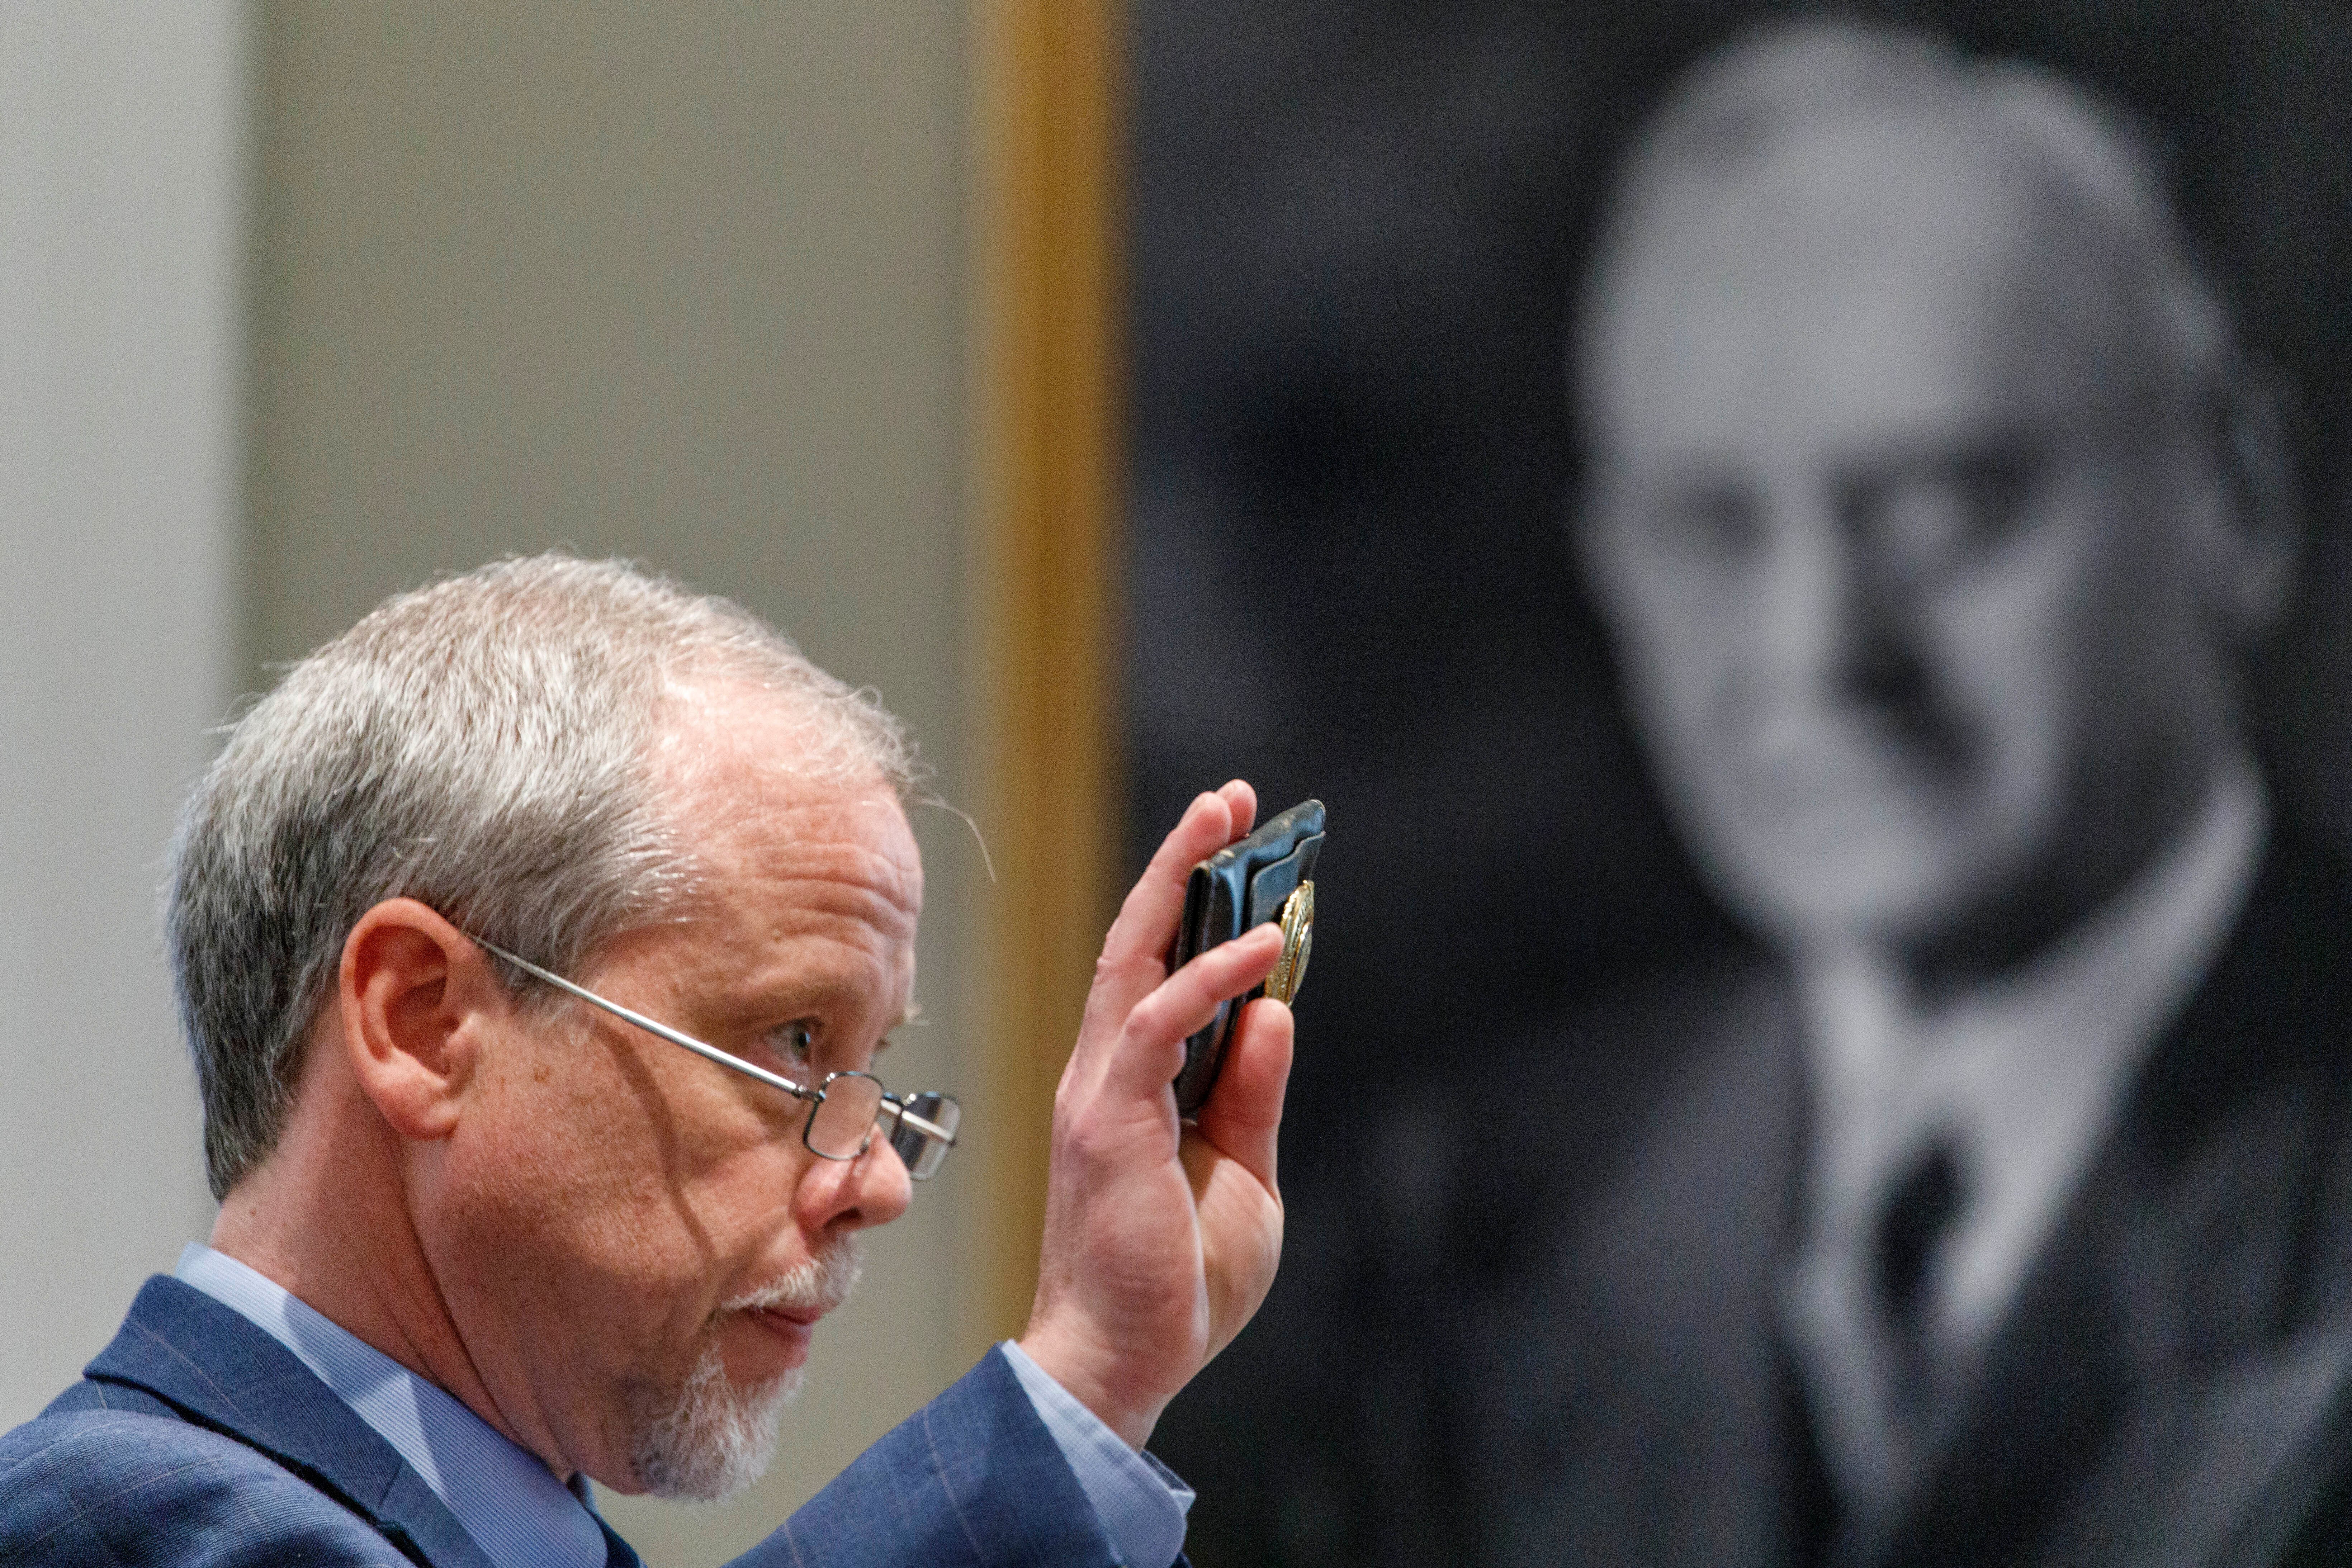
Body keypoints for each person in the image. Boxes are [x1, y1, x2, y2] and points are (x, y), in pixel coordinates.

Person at [1413, 20, 2352, 1567]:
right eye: (1711, 531)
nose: (1817, 654)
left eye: (1939, 509)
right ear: (1611, 571)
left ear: (2235, 500)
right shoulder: (1471, 1225)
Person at [0, 554, 1297, 1567]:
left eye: (872, 1066)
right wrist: (1079, 1388)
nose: (880, 1182)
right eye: (795, 1043)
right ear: (421, 1024)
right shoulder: (131, 1523)